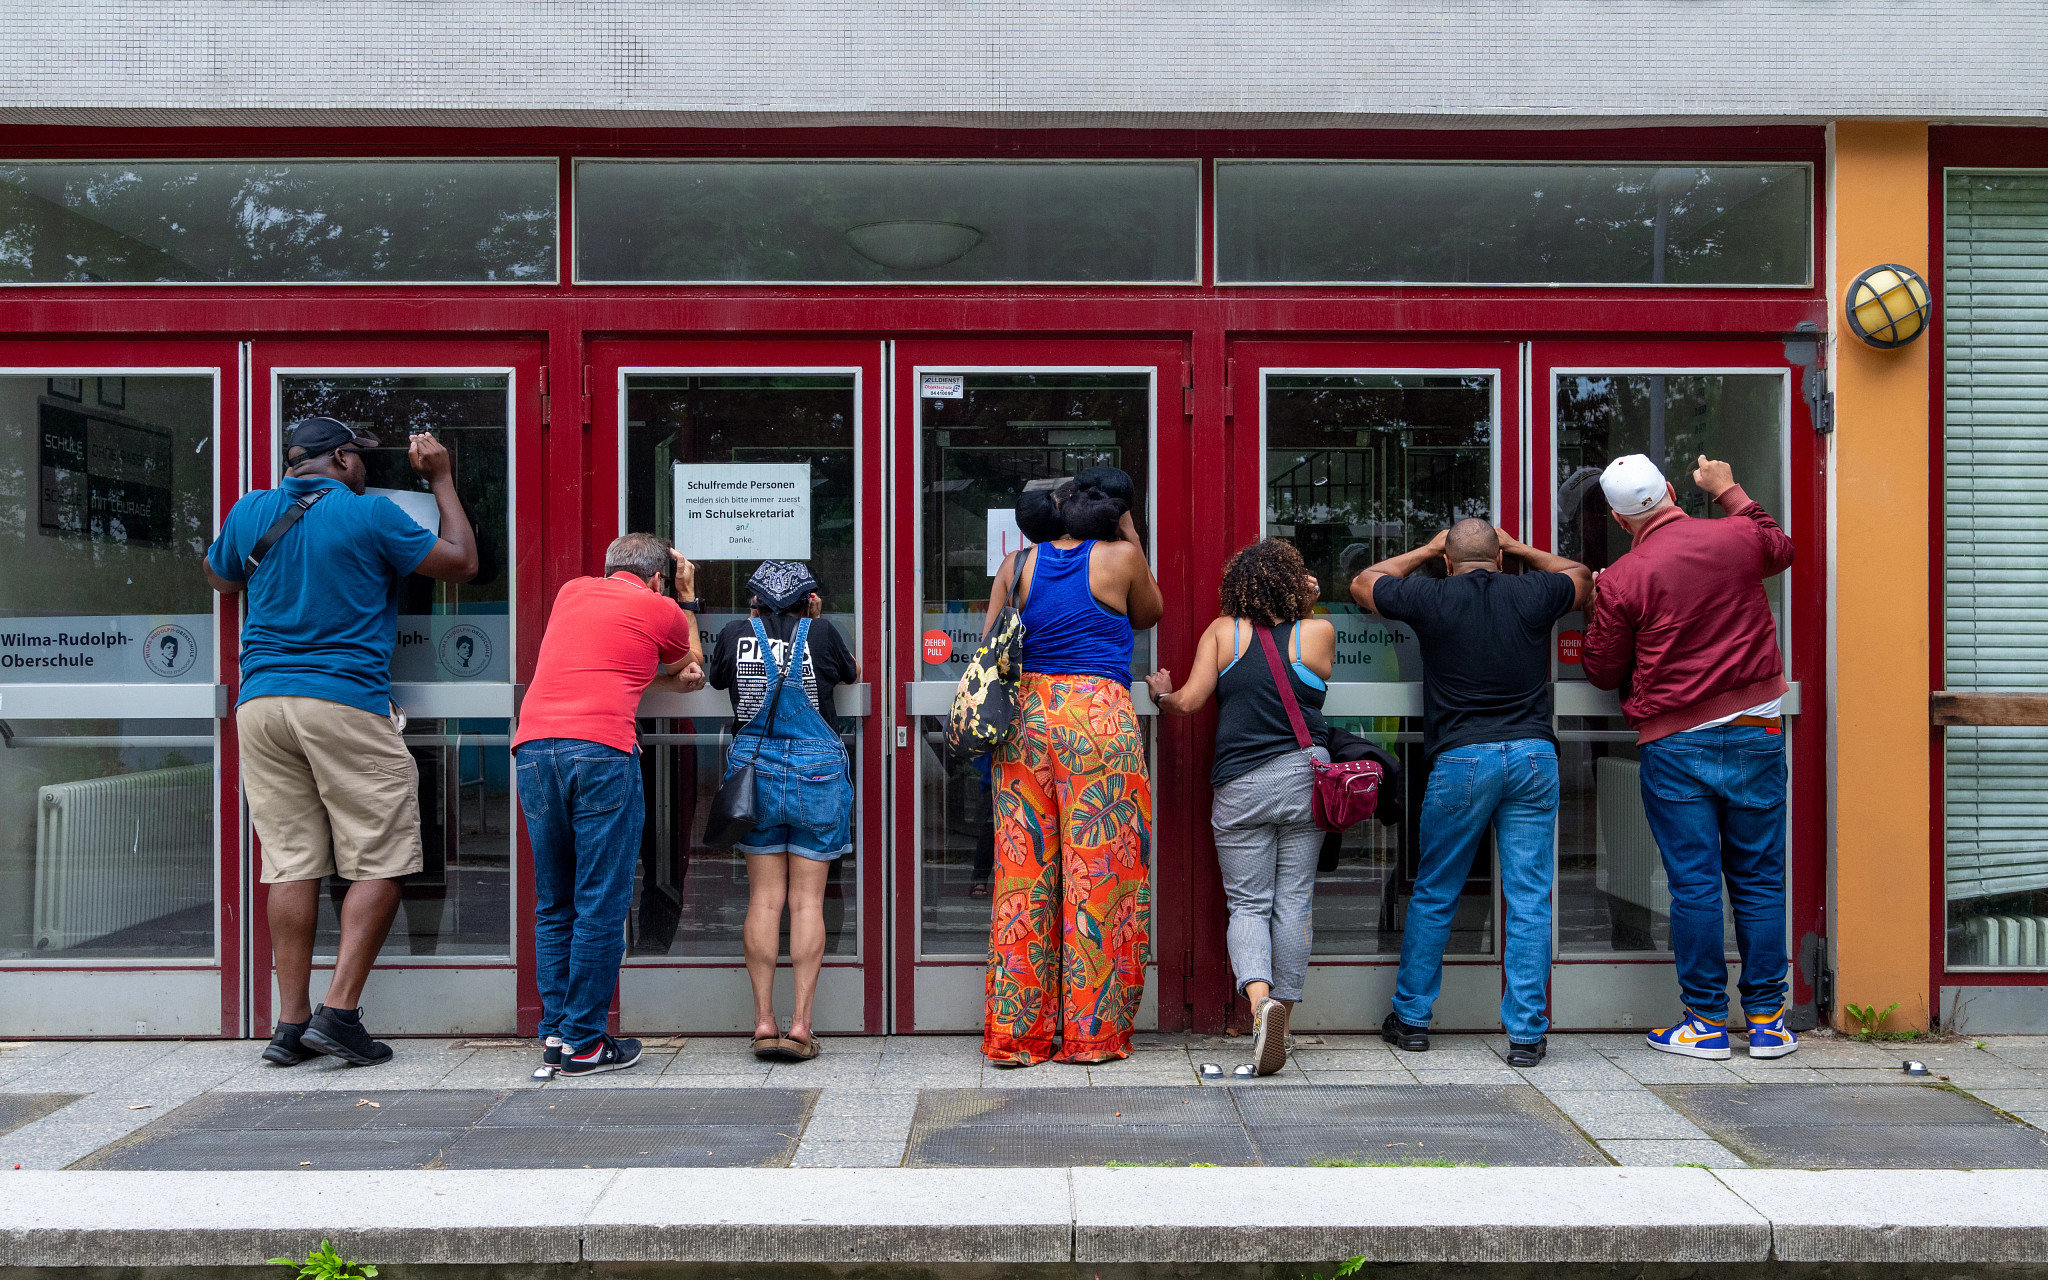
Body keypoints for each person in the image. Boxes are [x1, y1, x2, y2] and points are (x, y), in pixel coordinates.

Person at [204, 416, 477, 1067]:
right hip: (342, 701)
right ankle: (340, 1013)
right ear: (342, 459)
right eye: (362, 457)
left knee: (291, 861)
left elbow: (220, 580)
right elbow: (462, 563)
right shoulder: (369, 513)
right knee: (383, 854)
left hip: (260, 703)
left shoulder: (250, 511)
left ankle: (290, 1024)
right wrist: (440, 479)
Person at [1581, 454, 1798, 1061]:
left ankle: (1704, 1023)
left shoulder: (1624, 577)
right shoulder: (1736, 536)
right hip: (1757, 729)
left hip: (1676, 743)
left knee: (1695, 886)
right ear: (1674, 491)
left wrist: (1599, 602)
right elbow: (1780, 548)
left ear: (1621, 521)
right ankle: (1768, 1022)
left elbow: (1601, 672)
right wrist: (1730, 490)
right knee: (1758, 879)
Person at [1353, 518, 1589, 1068]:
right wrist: (1521, 547)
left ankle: (1411, 1020)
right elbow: (1581, 577)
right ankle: (1527, 1035)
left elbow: (1365, 583)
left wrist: (1426, 551)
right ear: (1500, 559)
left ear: (1450, 563)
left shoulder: (1432, 595)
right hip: (1532, 755)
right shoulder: (1532, 590)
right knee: (1529, 897)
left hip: (1461, 759)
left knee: (1435, 890)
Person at [978, 466, 1163, 1066]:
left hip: (1027, 721)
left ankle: (1017, 1036)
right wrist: (1129, 528)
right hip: (1098, 722)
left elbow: (990, 647)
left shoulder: (1017, 567)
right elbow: (1150, 613)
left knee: (1023, 876)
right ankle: (1091, 1036)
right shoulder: (1119, 559)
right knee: (1101, 876)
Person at [511, 533, 704, 1079]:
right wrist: (686, 597)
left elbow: (624, 656)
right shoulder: (659, 606)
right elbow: (691, 664)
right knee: (601, 900)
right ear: (660, 577)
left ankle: (557, 1035)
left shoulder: (571, 592)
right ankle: (587, 1043)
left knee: (556, 901)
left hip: (534, 747)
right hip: (600, 751)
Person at [1146, 537, 1335, 1076]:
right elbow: (1313, 667)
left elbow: (1188, 702)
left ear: (1237, 588)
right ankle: (1286, 1023)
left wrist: (1161, 692)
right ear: (1295, 583)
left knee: (1248, 904)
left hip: (1242, 785)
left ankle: (1260, 1007)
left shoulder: (1222, 632)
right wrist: (1307, 602)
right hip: (1305, 779)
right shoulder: (1317, 631)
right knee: (1293, 902)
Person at [707, 560, 860, 1062]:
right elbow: (853, 671)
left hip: (757, 773)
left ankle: (763, 1022)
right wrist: (814, 619)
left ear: (755, 602)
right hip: (817, 771)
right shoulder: (823, 633)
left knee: (766, 900)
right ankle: (800, 1025)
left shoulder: (734, 632)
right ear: (809, 601)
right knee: (807, 904)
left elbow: (714, 679)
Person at [972, 489, 1070, 898]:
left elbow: (988, 642)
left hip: (1020, 712)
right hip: (1081, 714)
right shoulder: (1091, 560)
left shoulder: (1015, 566)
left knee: (1024, 833)